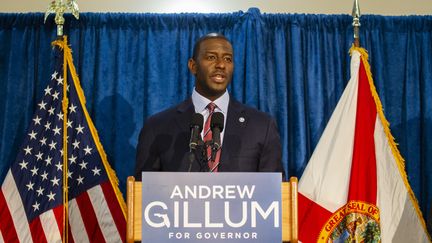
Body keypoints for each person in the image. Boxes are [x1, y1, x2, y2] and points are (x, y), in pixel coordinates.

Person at [135, 33, 283, 179]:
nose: (221, 65)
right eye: (211, 57)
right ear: (193, 66)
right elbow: (144, 193)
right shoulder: (158, 126)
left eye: (228, 59)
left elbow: (274, 193)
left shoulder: (262, 126)